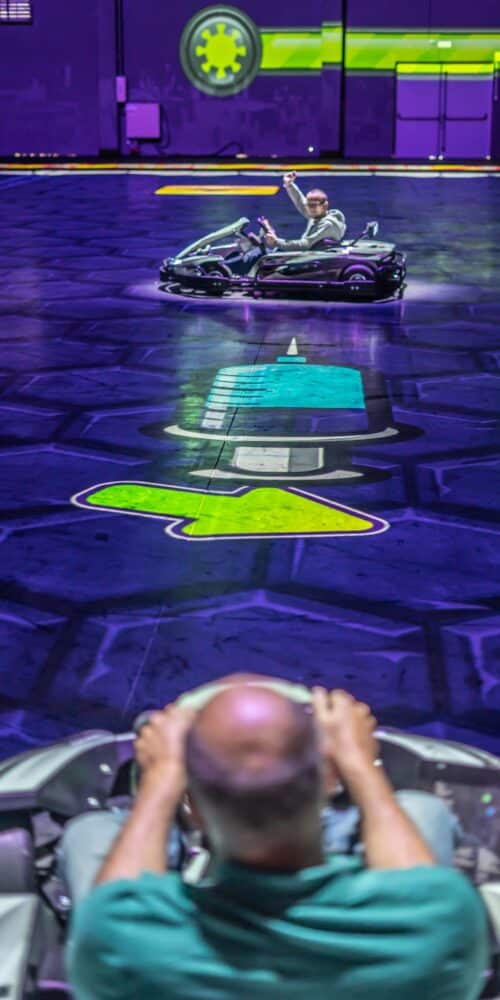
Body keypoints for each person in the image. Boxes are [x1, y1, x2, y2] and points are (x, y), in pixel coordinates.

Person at [66, 680, 488, 1000]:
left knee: (91, 833)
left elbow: (117, 898)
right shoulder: (442, 918)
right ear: (329, 780)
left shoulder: (116, 938)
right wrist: (359, 765)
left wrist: (161, 781)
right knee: (421, 811)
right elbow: (416, 886)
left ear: (193, 808)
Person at [226, 171, 346, 275]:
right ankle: (226, 266)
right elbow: (301, 203)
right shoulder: (319, 215)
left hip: (304, 260)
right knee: (254, 252)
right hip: (303, 256)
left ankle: (224, 269)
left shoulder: (328, 225)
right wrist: (289, 185)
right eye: (308, 205)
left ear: (325, 205)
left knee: (256, 255)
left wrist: (277, 241)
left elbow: (305, 244)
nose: (309, 209)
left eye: (313, 206)